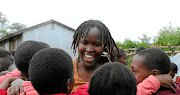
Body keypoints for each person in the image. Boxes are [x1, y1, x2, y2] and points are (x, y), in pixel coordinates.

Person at [71, 19, 119, 91]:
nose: (89, 49)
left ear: (104, 47)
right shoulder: (68, 69)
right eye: (85, 43)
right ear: (77, 43)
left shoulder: (110, 75)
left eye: (96, 44)